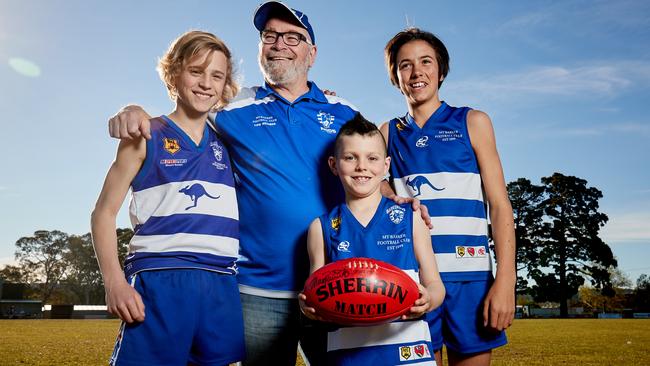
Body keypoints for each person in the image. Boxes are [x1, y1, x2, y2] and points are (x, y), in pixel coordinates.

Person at [106, 2, 363, 365]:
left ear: (312, 52)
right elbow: (183, 112)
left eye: (293, 37)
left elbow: (369, 169)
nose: (279, 44)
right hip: (255, 290)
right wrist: (133, 109)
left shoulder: (344, 110)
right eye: (269, 36)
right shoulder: (231, 106)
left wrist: (396, 197)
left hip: (330, 281)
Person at [91, 30, 244, 365]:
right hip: (161, 278)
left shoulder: (230, 142)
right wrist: (114, 283)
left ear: (225, 84)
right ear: (174, 72)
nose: (206, 83)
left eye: (216, 75)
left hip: (221, 281)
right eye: (195, 71)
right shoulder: (145, 134)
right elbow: (103, 214)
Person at [379, 28, 516, 366]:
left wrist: (506, 280)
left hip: (471, 279)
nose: (417, 72)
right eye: (405, 65)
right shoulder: (386, 132)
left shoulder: (473, 122)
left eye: (426, 62)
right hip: (415, 280)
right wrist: (390, 194)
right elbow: (367, 182)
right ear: (395, 77)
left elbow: (499, 205)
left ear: (440, 70)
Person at [299, 114, 445, 365]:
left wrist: (428, 299)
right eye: (350, 157)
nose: (361, 167)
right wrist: (309, 307)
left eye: (372, 158)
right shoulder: (320, 228)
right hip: (347, 356)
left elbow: (436, 285)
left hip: (408, 353)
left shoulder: (411, 219)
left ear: (386, 165)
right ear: (334, 165)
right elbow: (314, 293)